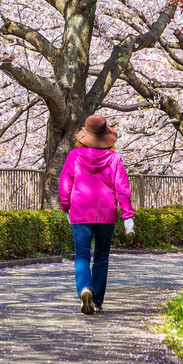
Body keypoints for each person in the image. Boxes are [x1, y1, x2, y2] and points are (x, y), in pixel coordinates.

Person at [58, 114, 135, 315]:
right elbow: (122, 189)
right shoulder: (114, 159)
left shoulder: (74, 156)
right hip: (106, 214)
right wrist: (128, 217)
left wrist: (65, 207)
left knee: (82, 255)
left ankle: (85, 288)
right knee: (101, 256)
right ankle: (98, 300)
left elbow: (65, 185)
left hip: (80, 213)